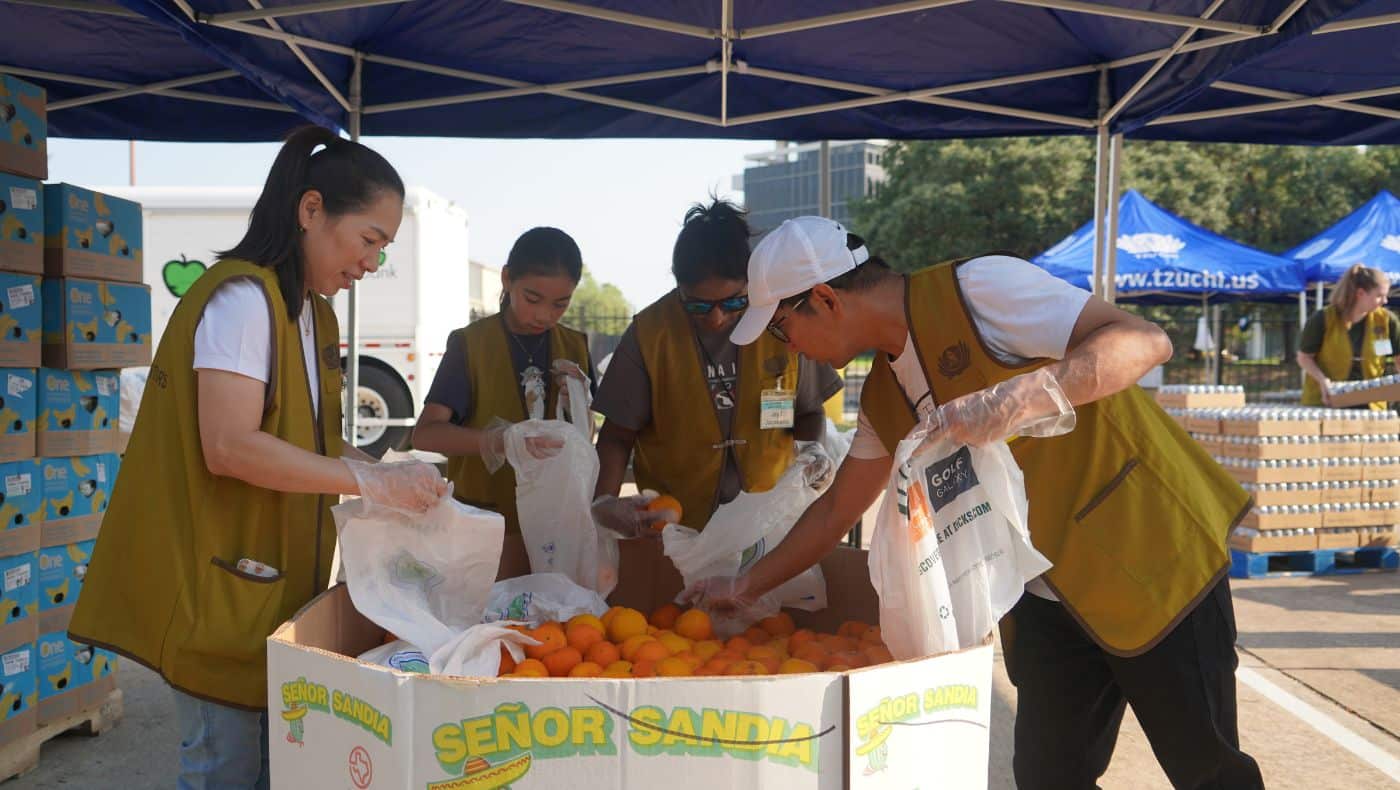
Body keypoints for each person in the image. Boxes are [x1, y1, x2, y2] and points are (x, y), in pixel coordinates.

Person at [685, 216, 1263, 790]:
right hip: (1042, 593)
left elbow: (1144, 340)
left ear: (824, 299)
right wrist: (743, 586)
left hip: (1151, 559)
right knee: (1047, 777)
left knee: (1206, 769)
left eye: (783, 330)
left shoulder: (980, 289)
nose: (792, 350)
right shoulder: (883, 398)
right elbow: (837, 510)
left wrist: (1025, 395)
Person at [68, 126, 448, 790]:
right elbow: (231, 445)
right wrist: (367, 480)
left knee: (277, 768)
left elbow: (310, 439)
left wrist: (386, 473)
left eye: (383, 249)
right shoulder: (242, 301)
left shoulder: (314, 317)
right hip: (217, 587)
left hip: (272, 590)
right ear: (310, 210)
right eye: (368, 241)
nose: (372, 263)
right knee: (225, 770)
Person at [590, 199, 842, 536]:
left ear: (751, 284)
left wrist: (813, 451)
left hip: (767, 522)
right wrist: (604, 501)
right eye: (698, 305)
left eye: (734, 302)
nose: (716, 317)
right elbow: (616, 436)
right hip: (678, 528)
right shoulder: (650, 334)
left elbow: (809, 412)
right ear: (678, 288)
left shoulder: (779, 322)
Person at [412, 226, 595, 533]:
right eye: (532, 298)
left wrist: (577, 402)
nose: (544, 315)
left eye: (560, 304)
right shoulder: (471, 344)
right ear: (507, 279)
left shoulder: (575, 346)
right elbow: (426, 435)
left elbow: (584, 440)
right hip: (485, 520)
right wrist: (497, 441)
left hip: (554, 521)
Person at [1297, 263, 1397, 409]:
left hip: (1372, 404)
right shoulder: (1324, 318)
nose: (1385, 301)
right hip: (1326, 402)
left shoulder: (1387, 320)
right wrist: (1323, 381)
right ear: (1360, 293)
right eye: (1379, 296)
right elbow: (1304, 358)